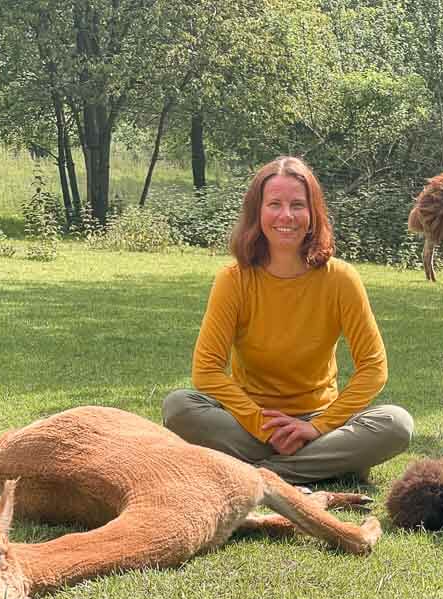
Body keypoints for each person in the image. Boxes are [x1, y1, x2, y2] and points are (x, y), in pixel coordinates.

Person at [163, 156, 413, 485]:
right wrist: (261, 425)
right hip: (249, 423)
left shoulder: (340, 278)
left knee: (397, 424)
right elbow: (206, 371)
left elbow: (373, 368)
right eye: (274, 204)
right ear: (257, 212)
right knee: (178, 407)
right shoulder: (234, 280)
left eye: (297, 205)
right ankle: (324, 465)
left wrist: (317, 427)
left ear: (313, 214)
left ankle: (258, 475)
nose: (286, 216)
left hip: (320, 422)